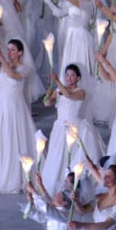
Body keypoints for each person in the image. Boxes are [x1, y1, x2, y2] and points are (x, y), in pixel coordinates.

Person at [41, 64, 105, 196]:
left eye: (72, 75)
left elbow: (69, 95)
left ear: (78, 78)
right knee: (57, 156)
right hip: (59, 127)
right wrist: (48, 95)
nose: (69, 78)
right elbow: (47, 104)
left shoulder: (80, 92)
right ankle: (55, 185)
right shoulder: (59, 90)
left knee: (72, 156)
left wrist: (57, 81)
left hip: (74, 128)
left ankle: (72, 186)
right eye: (67, 75)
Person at [0, 39, 36, 193]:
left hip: (15, 109)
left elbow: (12, 75)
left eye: (12, 50)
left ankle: (17, 176)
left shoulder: (24, 69)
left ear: (20, 52)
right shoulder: (2, 65)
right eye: (8, 49)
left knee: (14, 139)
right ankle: (3, 172)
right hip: (3, 108)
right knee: (2, 139)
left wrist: (1, 57)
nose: (9, 53)